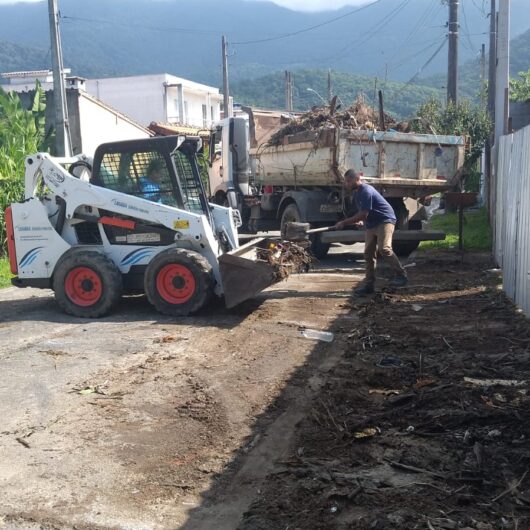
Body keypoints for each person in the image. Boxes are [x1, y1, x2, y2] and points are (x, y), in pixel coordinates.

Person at [333, 169, 408, 295]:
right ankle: (369, 285)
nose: (346, 184)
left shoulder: (366, 191)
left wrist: (344, 222)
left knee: (384, 249)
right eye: (345, 181)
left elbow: (363, 214)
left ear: (357, 179)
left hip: (385, 220)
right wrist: (361, 221)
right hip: (372, 223)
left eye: (349, 181)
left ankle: (401, 275)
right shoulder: (357, 193)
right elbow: (364, 213)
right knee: (368, 254)